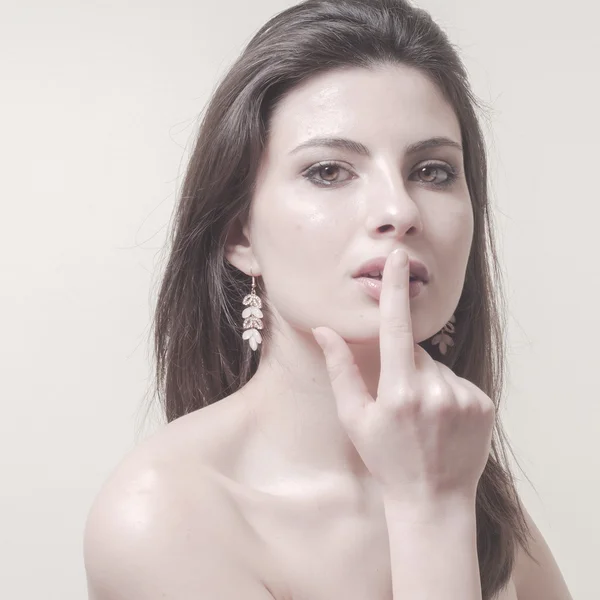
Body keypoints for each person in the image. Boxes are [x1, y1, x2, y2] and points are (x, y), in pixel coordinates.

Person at [83, 1, 574, 599]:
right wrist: (432, 514)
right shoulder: (164, 515)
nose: (399, 210)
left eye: (434, 171)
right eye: (329, 172)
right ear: (240, 232)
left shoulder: (471, 484)